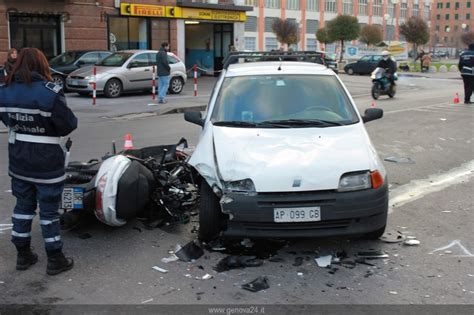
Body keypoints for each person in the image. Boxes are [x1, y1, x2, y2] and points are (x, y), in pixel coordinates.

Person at [0, 48, 78, 275]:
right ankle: (55, 258)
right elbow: (68, 125)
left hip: (19, 161)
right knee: (49, 211)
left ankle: (23, 255)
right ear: (43, 64)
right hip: (47, 164)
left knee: (23, 207)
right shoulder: (50, 92)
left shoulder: (4, 91)